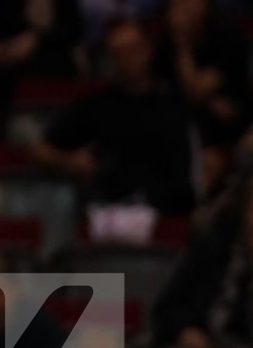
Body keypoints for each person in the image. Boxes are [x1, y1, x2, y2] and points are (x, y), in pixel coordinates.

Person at [31, 16, 196, 223]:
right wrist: (69, 161)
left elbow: (185, 178)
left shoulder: (173, 106)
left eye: (133, 50)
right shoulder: (95, 106)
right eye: (118, 53)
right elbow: (40, 150)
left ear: (148, 49)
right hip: (106, 213)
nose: (128, 59)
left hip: (164, 217)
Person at [150, 177, 253, 348]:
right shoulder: (212, 248)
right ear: (244, 210)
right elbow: (166, 308)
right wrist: (184, 330)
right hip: (199, 344)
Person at [156, 0, 250, 162]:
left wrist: (182, 44)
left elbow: (196, 90)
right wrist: (209, 103)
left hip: (233, 128)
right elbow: (159, 89)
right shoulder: (164, 42)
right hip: (184, 126)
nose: (182, 4)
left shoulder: (227, 36)